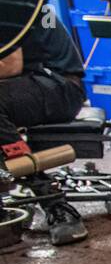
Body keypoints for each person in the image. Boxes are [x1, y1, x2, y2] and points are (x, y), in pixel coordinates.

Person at [0, 14, 89, 245]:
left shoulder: (11, 3)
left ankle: (53, 202)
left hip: (61, 85)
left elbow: (10, 64)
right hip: (29, 84)